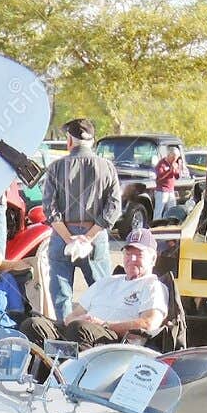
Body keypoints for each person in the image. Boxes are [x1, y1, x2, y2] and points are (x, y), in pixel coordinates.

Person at [22, 227, 167, 357]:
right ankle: (45, 376)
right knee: (33, 324)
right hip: (82, 330)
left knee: (79, 329)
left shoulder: (153, 286)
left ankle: (74, 379)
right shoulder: (107, 281)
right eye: (128, 254)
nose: (132, 259)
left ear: (153, 258)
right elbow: (73, 315)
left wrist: (104, 324)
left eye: (139, 254)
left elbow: (149, 324)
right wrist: (77, 320)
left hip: (114, 341)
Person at [40, 117, 122, 320]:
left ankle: (64, 334)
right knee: (102, 291)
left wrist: (69, 239)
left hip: (61, 236)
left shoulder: (56, 167)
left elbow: (49, 209)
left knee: (61, 295)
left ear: (69, 141)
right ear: (92, 142)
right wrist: (88, 237)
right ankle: (99, 335)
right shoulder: (106, 167)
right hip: (95, 237)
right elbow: (113, 208)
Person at [154, 146, 183, 222]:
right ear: (169, 155)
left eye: (176, 158)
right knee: (158, 211)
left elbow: (177, 176)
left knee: (172, 210)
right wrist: (169, 171)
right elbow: (160, 177)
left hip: (171, 190)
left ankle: (171, 225)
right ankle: (155, 226)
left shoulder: (174, 163)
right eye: (173, 157)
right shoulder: (161, 164)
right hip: (162, 191)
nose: (174, 159)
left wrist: (178, 168)